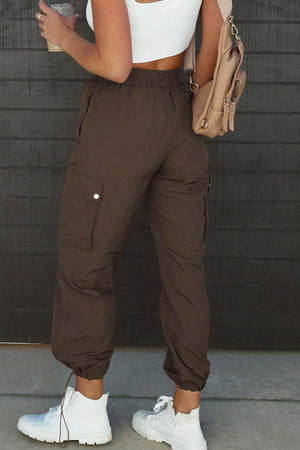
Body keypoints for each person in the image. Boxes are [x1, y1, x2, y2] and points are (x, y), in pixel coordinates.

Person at [16, 0, 228, 449]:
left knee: (87, 258)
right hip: (181, 114)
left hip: (121, 116)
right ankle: (185, 418)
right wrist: (179, 97)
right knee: (185, 273)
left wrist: (65, 35)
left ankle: (87, 409)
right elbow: (209, 54)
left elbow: (114, 65)